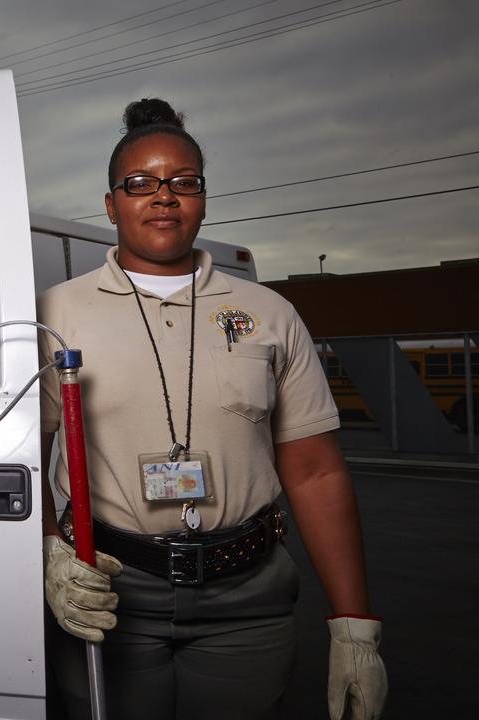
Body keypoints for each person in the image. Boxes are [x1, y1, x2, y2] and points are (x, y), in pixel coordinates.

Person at [37, 98, 387, 720]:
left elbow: (315, 471)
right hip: (112, 594)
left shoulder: (269, 314)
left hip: (248, 601)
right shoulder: (54, 314)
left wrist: (353, 623)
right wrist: (45, 549)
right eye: (140, 183)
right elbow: (27, 460)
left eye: (184, 182)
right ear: (112, 202)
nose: (163, 197)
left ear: (202, 198)